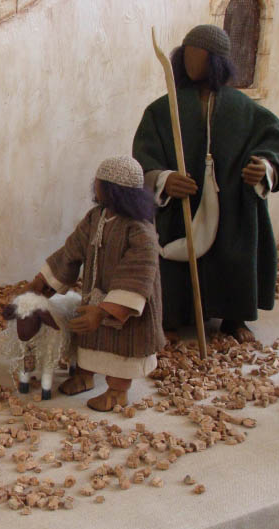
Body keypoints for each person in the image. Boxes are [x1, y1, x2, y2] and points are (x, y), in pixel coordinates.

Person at [133, 24, 279, 343]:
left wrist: (264, 167)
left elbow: (275, 143)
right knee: (174, 259)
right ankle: (171, 317)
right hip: (181, 209)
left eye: (199, 55)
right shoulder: (163, 110)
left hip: (234, 205)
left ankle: (235, 319)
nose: (191, 62)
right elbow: (144, 156)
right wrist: (165, 180)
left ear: (216, 60)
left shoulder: (247, 111)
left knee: (234, 256)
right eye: (186, 55)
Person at [27, 156, 165, 411]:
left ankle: (117, 391)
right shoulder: (96, 217)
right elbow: (72, 250)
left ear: (113, 189)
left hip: (124, 309)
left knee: (123, 347)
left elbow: (138, 274)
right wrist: (44, 280)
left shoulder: (139, 230)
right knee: (89, 340)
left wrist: (104, 311)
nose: (95, 187)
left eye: (99, 183)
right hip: (94, 295)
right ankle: (85, 375)